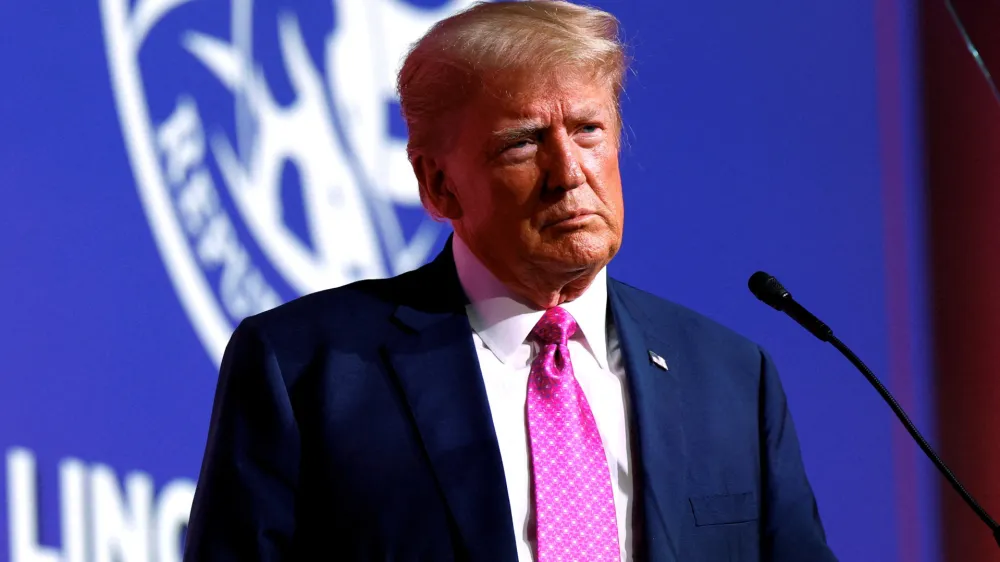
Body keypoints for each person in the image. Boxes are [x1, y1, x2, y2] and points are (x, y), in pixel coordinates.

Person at [183, 1, 838, 561]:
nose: (568, 171)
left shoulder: (729, 377)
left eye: (588, 130)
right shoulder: (307, 366)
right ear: (438, 184)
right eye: (523, 142)